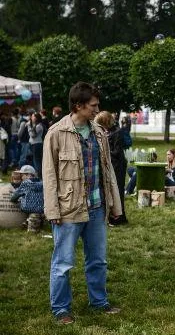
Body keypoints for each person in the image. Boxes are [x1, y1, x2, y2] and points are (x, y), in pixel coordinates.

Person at [43, 81, 122, 325]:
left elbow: (108, 173)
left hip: (97, 209)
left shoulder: (99, 132)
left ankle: (99, 302)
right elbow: (49, 175)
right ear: (78, 106)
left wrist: (115, 207)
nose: (98, 110)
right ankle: (60, 310)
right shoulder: (56, 133)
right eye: (93, 105)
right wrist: (52, 210)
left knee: (98, 260)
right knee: (63, 263)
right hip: (68, 211)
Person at [95, 111, 128, 226]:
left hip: (118, 165)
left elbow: (117, 152)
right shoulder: (107, 132)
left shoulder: (117, 132)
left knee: (118, 190)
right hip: (111, 164)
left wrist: (105, 153)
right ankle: (113, 215)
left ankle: (119, 217)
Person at [10, 165, 44, 232]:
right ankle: (32, 222)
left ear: (28, 175)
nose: (21, 178)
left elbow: (15, 196)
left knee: (32, 232)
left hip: (31, 212)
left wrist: (12, 199)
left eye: (22, 175)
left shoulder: (25, 184)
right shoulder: (42, 183)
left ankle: (30, 223)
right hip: (42, 211)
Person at [28, 112, 44, 180]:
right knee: (36, 159)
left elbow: (33, 135)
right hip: (34, 144)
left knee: (37, 160)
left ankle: (39, 175)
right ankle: (39, 174)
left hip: (36, 144)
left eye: (33, 116)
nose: (31, 117)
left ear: (37, 118)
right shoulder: (35, 125)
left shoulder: (39, 126)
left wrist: (28, 127)